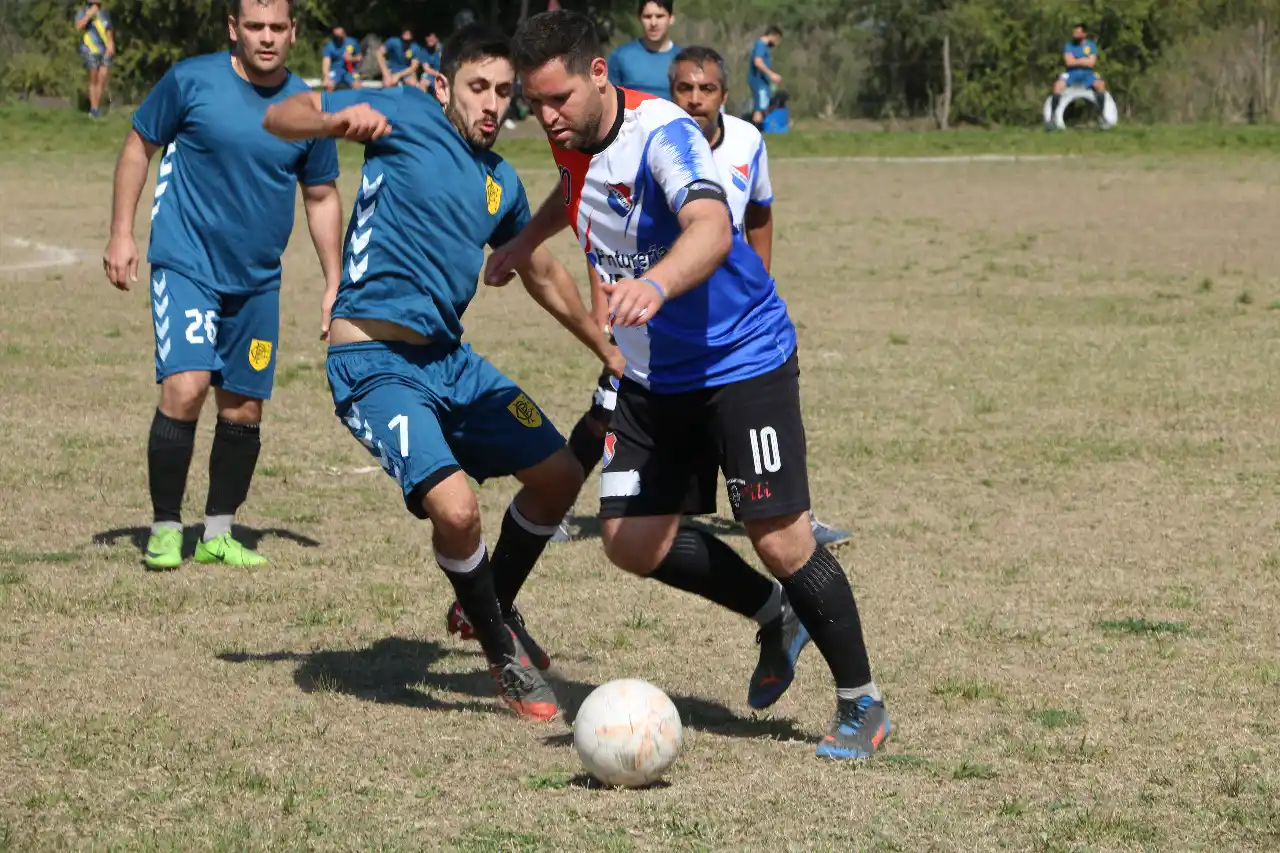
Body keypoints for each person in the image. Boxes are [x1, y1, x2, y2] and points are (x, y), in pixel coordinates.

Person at [495, 10, 890, 760]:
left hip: (741, 357)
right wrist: (525, 240)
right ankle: (775, 613)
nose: (545, 117)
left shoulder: (664, 135)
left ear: (599, 74)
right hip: (654, 374)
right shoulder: (571, 128)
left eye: (557, 99)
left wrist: (655, 283)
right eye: (534, 103)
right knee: (629, 540)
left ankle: (861, 702)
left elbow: (710, 226)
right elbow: (573, 186)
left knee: (780, 537)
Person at [262, 24, 622, 722]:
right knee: (456, 510)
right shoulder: (405, 114)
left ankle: (487, 601)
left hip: (451, 363)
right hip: (373, 363)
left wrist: (605, 349)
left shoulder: (500, 181)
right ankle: (501, 651)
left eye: (504, 92)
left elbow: (543, 273)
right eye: (477, 87)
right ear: (442, 86)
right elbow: (282, 114)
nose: (492, 104)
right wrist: (333, 119)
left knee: (558, 476)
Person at [549, 45, 850, 548]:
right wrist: (607, 304)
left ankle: (794, 519)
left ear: (724, 95)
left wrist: (762, 279)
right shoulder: (648, 142)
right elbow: (596, 220)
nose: (695, 98)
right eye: (684, 89)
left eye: (706, 88)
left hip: (723, 324)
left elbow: (759, 213)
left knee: (758, 423)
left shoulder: (748, 141)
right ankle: (556, 505)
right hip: (650, 322)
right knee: (607, 407)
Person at [101, 0, 344, 570]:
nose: (267, 38)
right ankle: (166, 528)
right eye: (255, 27)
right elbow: (138, 145)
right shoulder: (191, 81)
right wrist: (121, 233)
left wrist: (334, 281)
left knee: (244, 406)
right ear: (234, 29)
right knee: (186, 386)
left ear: (293, 32)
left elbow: (321, 195)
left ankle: (217, 533)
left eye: (277, 27)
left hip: (257, 280)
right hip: (186, 262)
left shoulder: (309, 107)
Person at [606, 1, 679, 100]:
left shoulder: (682, 59)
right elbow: (609, 98)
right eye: (647, 17)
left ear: (671, 18)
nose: (653, 23)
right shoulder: (620, 56)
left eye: (659, 16)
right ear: (639, 19)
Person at [1051, 23, 1107, 117]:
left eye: (1077, 32)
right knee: (1057, 86)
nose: (1075, 34)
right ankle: (1052, 116)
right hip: (1071, 73)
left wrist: (1076, 60)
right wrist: (1084, 60)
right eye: (1074, 32)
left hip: (1088, 74)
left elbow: (1091, 63)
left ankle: (1102, 114)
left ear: (1084, 34)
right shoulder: (1069, 45)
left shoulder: (1091, 45)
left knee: (1100, 85)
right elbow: (1069, 62)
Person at [75, 2, 115, 119]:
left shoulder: (104, 13)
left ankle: (97, 106)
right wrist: (89, 15)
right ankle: (94, 109)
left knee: (102, 78)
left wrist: (111, 43)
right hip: (90, 49)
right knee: (93, 79)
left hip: (105, 50)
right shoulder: (83, 11)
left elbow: (109, 29)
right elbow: (78, 26)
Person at [748, 25, 782, 129]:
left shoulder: (764, 47)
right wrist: (771, 75)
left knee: (763, 106)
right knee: (760, 108)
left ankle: (759, 128)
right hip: (758, 81)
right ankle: (755, 130)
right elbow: (757, 61)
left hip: (763, 82)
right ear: (773, 36)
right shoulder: (761, 45)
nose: (777, 43)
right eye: (777, 39)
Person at [322, 25, 362, 91]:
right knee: (328, 85)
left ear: (344, 33)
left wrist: (351, 59)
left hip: (351, 69)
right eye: (337, 36)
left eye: (340, 34)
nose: (339, 37)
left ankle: (356, 97)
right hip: (336, 70)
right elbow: (326, 64)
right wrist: (326, 76)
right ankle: (329, 97)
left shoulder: (353, 42)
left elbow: (359, 58)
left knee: (357, 84)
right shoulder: (329, 46)